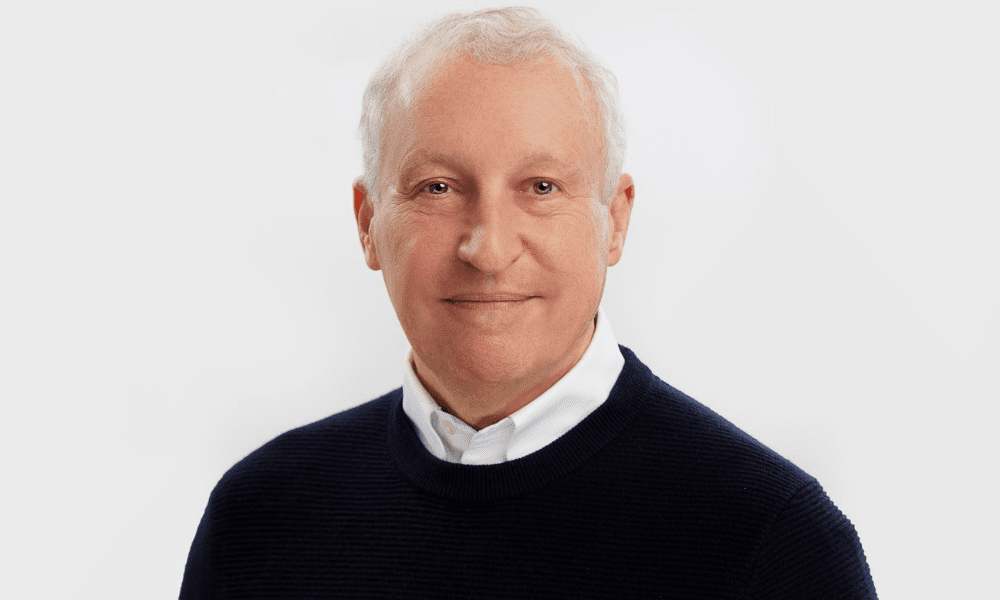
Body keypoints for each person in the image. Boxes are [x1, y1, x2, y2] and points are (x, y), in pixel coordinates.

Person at [180, 7, 876, 599]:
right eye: (437, 188)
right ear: (367, 224)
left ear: (615, 221)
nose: (487, 249)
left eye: (541, 187)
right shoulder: (258, 516)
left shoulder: (771, 541)